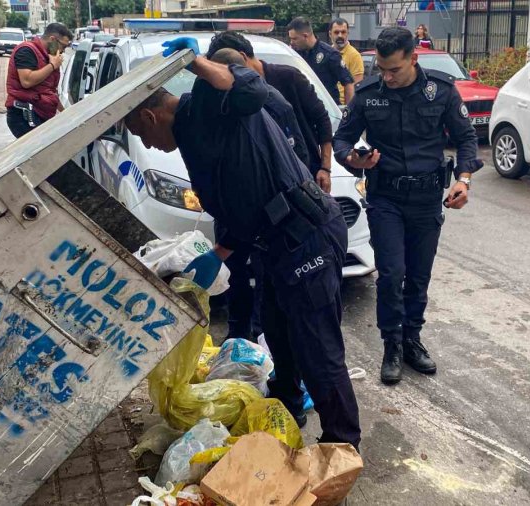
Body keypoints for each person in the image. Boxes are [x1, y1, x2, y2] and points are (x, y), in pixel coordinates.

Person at [124, 36, 361, 448]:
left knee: (317, 351)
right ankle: (285, 414)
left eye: (142, 135)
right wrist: (219, 254)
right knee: (278, 335)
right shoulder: (191, 135)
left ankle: (342, 446)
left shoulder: (208, 104)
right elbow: (240, 199)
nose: (147, 146)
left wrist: (193, 62)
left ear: (149, 116)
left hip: (305, 235)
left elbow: (250, 87)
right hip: (273, 244)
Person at [333, 27, 482, 385]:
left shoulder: (441, 92)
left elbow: (466, 139)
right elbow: (341, 139)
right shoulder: (369, 95)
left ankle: (412, 339)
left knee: (418, 275)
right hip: (386, 198)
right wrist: (355, 160)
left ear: (413, 58)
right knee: (391, 273)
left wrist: (464, 179)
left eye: (393, 70)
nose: (386, 76)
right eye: (381, 69)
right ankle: (392, 345)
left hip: (427, 198)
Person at [206, 47, 310, 342]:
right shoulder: (215, 108)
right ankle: (237, 334)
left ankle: (261, 334)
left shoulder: (274, 103)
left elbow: (298, 157)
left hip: (270, 213)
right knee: (235, 273)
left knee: (266, 276)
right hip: (233, 209)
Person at [206, 31, 334, 193]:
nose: (225, 77)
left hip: (307, 178)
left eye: (226, 70)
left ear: (242, 57)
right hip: (266, 185)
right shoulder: (230, 93)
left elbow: (322, 119)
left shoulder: (289, 77)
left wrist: (325, 168)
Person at [5, 22, 72, 138]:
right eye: (63, 46)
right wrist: (52, 66)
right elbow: (26, 81)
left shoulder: (47, 56)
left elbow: (49, 90)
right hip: (24, 115)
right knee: (42, 154)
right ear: (52, 39)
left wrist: (65, 112)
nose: (63, 51)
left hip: (40, 113)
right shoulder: (26, 50)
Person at [287, 17, 355, 105]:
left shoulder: (329, 54)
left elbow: (348, 83)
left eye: (294, 38)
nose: (291, 42)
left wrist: (348, 112)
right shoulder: (294, 53)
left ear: (305, 36)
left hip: (328, 110)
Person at [329, 18, 364, 105]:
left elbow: (357, 86)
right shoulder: (327, 53)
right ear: (330, 34)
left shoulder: (354, 55)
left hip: (343, 106)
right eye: (336, 32)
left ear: (348, 33)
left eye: (343, 32)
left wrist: (348, 110)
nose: (340, 35)